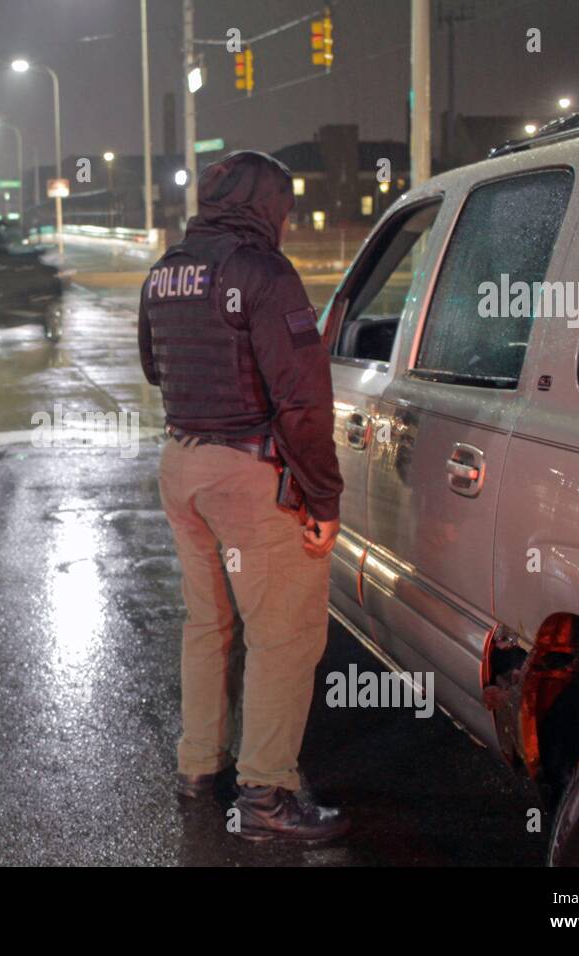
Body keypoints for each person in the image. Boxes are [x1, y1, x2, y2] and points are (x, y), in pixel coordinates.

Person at [138, 150, 348, 844]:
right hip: (249, 476)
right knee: (283, 635)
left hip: (181, 466)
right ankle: (267, 794)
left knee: (207, 626)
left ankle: (199, 768)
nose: (285, 221)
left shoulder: (165, 271)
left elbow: (152, 366)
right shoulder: (262, 272)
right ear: (265, 205)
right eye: (283, 208)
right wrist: (321, 498)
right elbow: (301, 400)